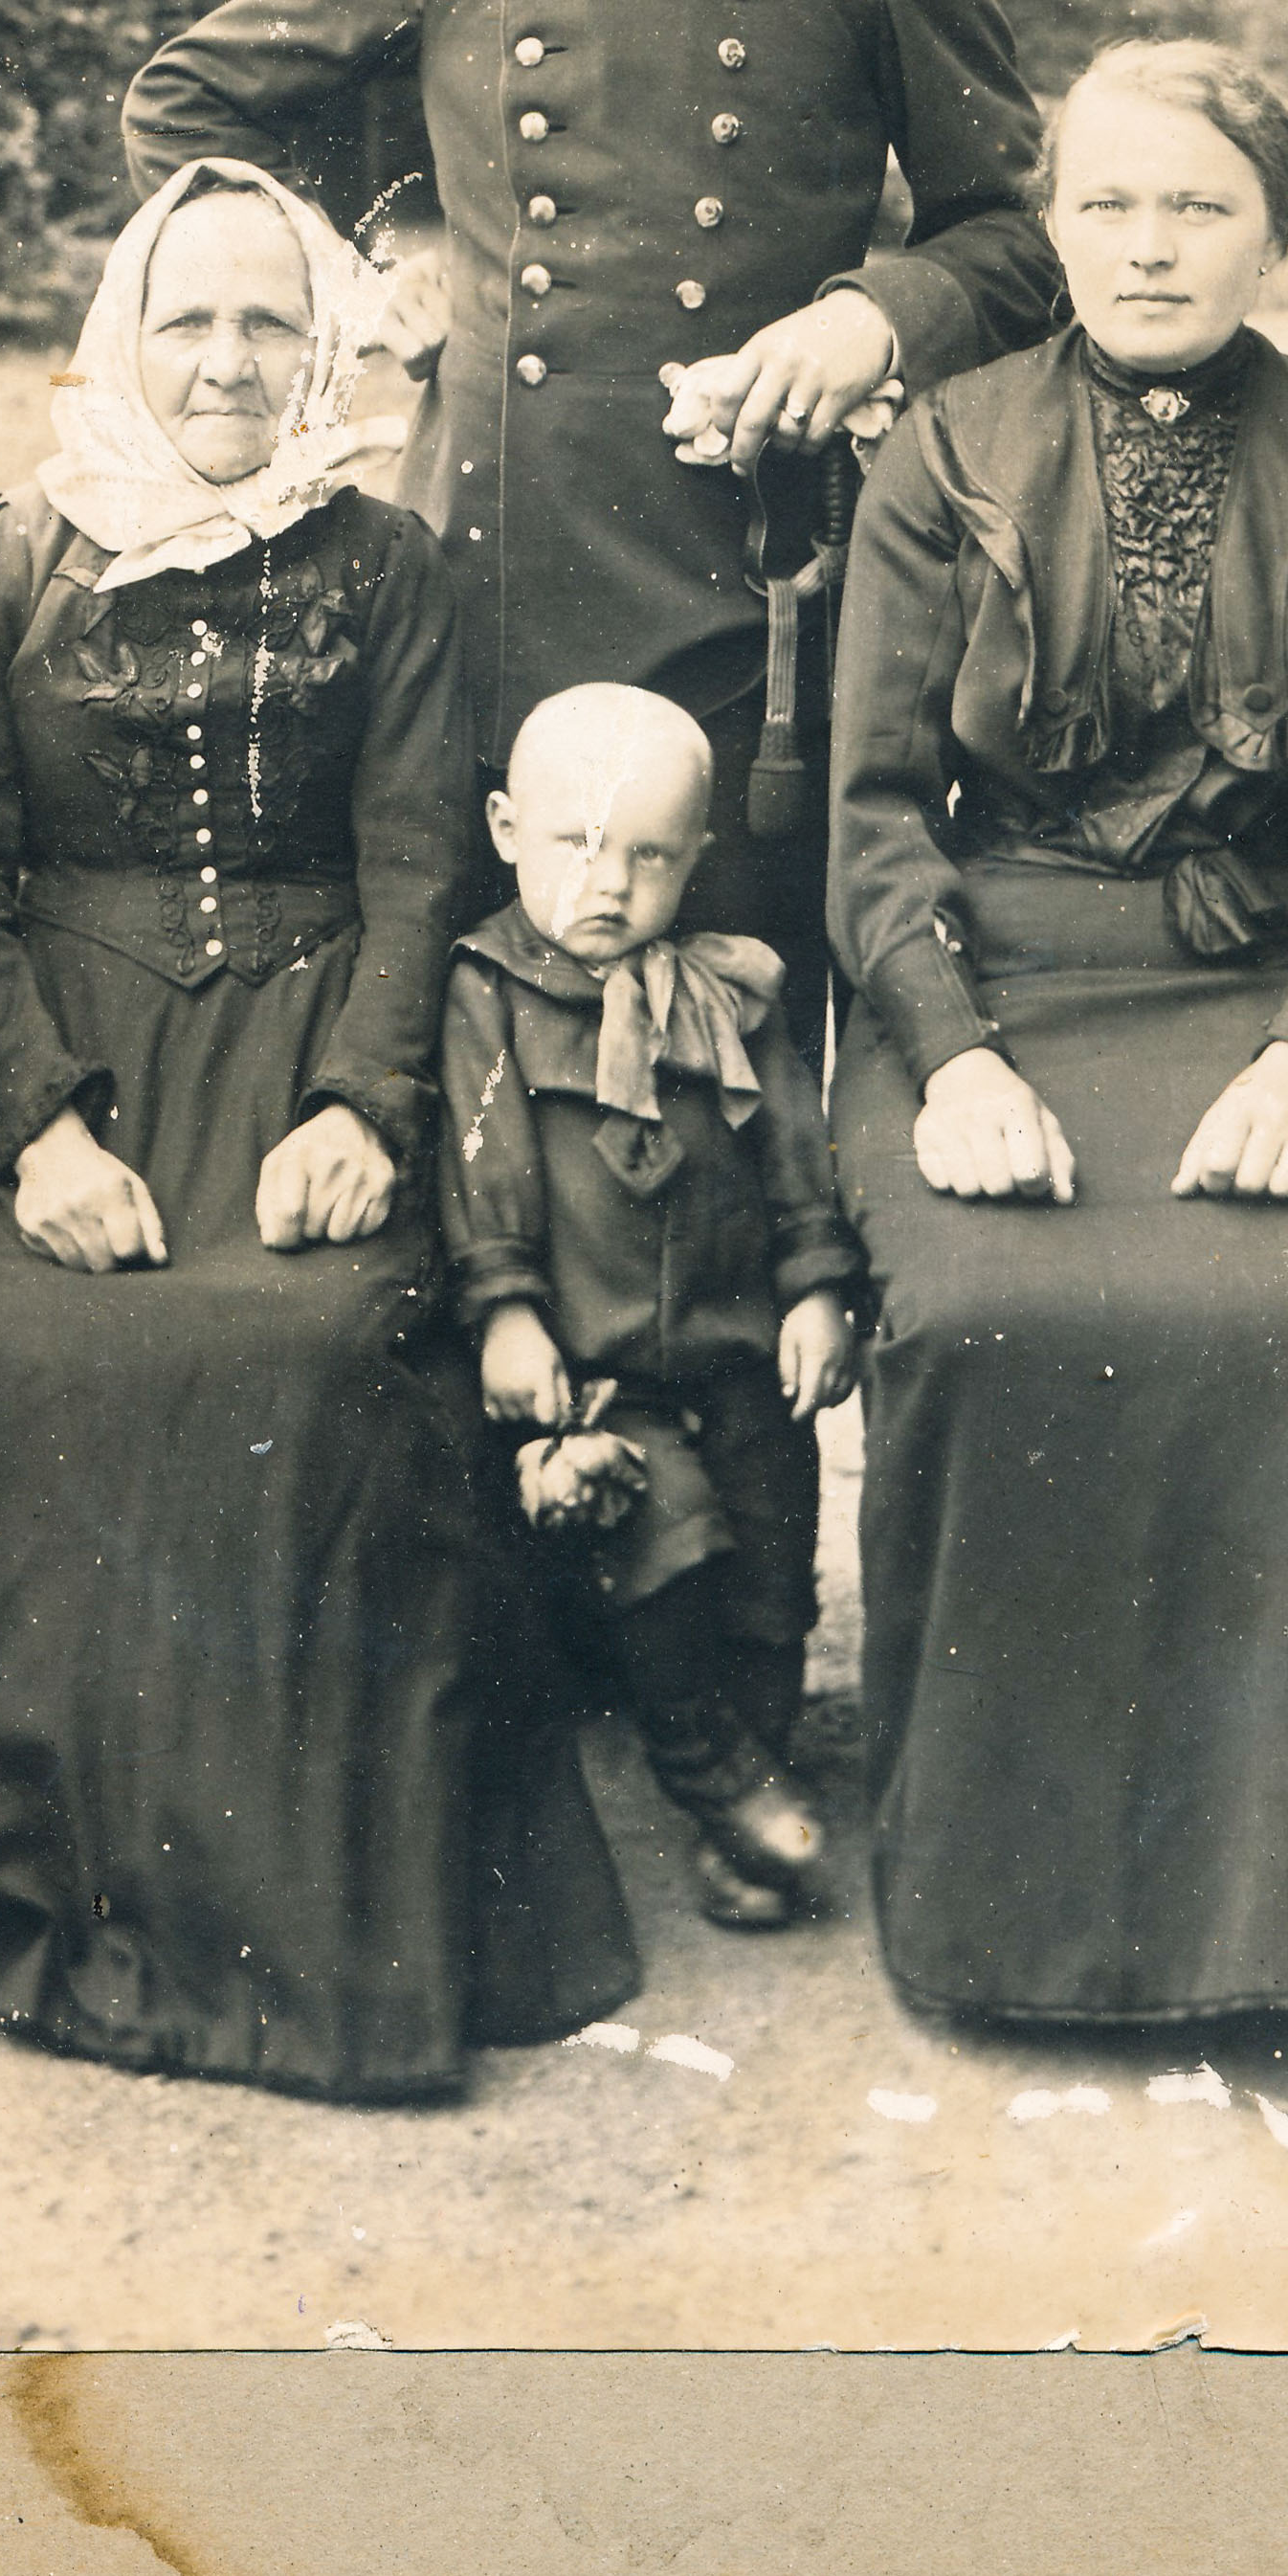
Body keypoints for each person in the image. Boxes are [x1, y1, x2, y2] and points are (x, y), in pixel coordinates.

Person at [0, 162, 638, 2098]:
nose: (225, 360)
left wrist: (364, 1101)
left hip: (306, 1037)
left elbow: (419, 858)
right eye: (185, 318)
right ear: (123, 331)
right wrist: (34, 1132)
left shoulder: (389, 567)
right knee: (29, 1350)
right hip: (74, 1053)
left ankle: (325, 1923)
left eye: (269, 321)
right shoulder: (13, 558)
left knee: (321, 1346)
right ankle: (50, 1869)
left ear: (323, 345)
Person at [121, 0, 1064, 1033]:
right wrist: (383, 258)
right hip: (494, 562)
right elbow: (186, 105)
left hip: (767, 579)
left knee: (744, 1018)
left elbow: (1016, 238)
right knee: (470, 1002)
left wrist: (871, 318)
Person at [826, 38, 1288, 2029]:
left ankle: (1284, 1927)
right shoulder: (943, 448)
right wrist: (951, 1056)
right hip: (984, 983)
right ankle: (995, 1920)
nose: (1147, 245)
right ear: (1050, 225)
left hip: (1253, 986)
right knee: (978, 1311)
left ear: (1277, 233)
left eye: (1197, 205)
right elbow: (869, 816)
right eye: (1103, 203)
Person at [437, 683, 865, 1932]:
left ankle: (762, 1772)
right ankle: (712, 1772)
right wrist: (507, 1311)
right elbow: (481, 1159)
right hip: (601, 1371)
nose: (610, 884)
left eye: (650, 856)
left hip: (740, 1354)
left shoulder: (728, 990)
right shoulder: (488, 988)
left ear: (696, 859)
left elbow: (794, 1150)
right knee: (665, 1548)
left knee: (774, 1564)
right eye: (576, 844)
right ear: (507, 830)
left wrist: (816, 1288)